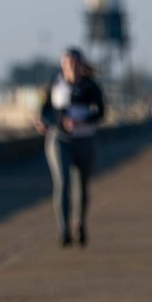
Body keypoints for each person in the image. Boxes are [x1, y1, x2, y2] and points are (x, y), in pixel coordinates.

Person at [36, 47, 105, 247]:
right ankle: (63, 230)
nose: (71, 66)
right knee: (63, 183)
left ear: (81, 65)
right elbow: (44, 111)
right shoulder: (54, 85)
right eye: (68, 63)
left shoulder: (91, 87)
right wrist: (48, 122)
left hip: (85, 139)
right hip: (59, 140)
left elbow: (101, 113)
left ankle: (80, 223)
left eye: (75, 62)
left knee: (82, 186)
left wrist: (84, 120)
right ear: (62, 65)